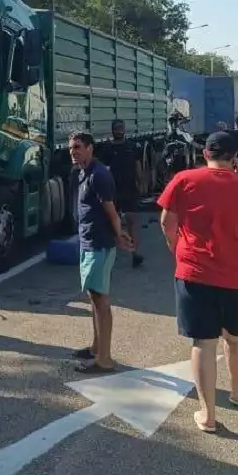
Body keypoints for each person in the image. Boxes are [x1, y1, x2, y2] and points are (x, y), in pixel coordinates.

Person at [157, 131, 238, 433]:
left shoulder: (184, 180)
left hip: (194, 273)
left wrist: (178, 252)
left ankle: (207, 415)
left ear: (204, 154)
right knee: (235, 337)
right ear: (235, 158)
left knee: (203, 343)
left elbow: (167, 222)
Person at [68, 131, 134, 374]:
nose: (73, 152)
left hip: (99, 244)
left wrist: (120, 235)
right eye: (71, 148)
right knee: (93, 298)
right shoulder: (83, 172)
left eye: (78, 147)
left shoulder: (99, 175)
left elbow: (111, 211)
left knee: (101, 301)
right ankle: (97, 347)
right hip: (88, 243)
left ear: (90, 148)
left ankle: (104, 359)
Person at [99, 119, 144, 268]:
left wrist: (140, 182)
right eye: (116, 128)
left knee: (132, 221)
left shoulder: (132, 147)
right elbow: (104, 170)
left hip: (129, 188)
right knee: (113, 222)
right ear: (112, 131)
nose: (118, 131)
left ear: (124, 130)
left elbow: (138, 166)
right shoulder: (107, 149)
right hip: (114, 190)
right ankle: (110, 254)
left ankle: (134, 253)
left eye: (120, 128)